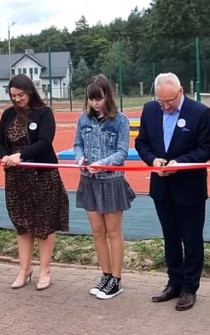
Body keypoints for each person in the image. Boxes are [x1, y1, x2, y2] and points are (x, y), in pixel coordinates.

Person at [135, 72, 210, 311]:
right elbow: (141, 143)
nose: (165, 106)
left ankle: (190, 288)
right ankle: (174, 282)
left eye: (169, 101)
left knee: (191, 238)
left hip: (189, 187)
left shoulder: (200, 112)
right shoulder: (150, 110)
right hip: (161, 186)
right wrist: (153, 161)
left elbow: (206, 148)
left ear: (180, 92)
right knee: (170, 237)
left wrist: (180, 163)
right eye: (161, 101)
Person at [0, 74, 69, 291]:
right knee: (22, 224)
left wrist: (21, 156)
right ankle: (24, 269)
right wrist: (5, 156)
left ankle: (45, 270)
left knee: (44, 224)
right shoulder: (8, 114)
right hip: (17, 178)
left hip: (42, 176)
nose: (17, 99)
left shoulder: (44, 113)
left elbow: (45, 142)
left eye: (21, 95)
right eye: (13, 96)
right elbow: (0, 142)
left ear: (30, 92)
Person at [73, 74, 136, 300]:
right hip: (88, 181)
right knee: (98, 232)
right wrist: (80, 158)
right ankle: (106, 275)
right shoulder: (83, 119)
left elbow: (122, 152)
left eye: (98, 98)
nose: (94, 103)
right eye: (91, 99)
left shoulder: (120, 120)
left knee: (113, 232)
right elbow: (77, 145)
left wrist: (102, 164)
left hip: (111, 181)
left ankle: (117, 280)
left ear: (107, 96)